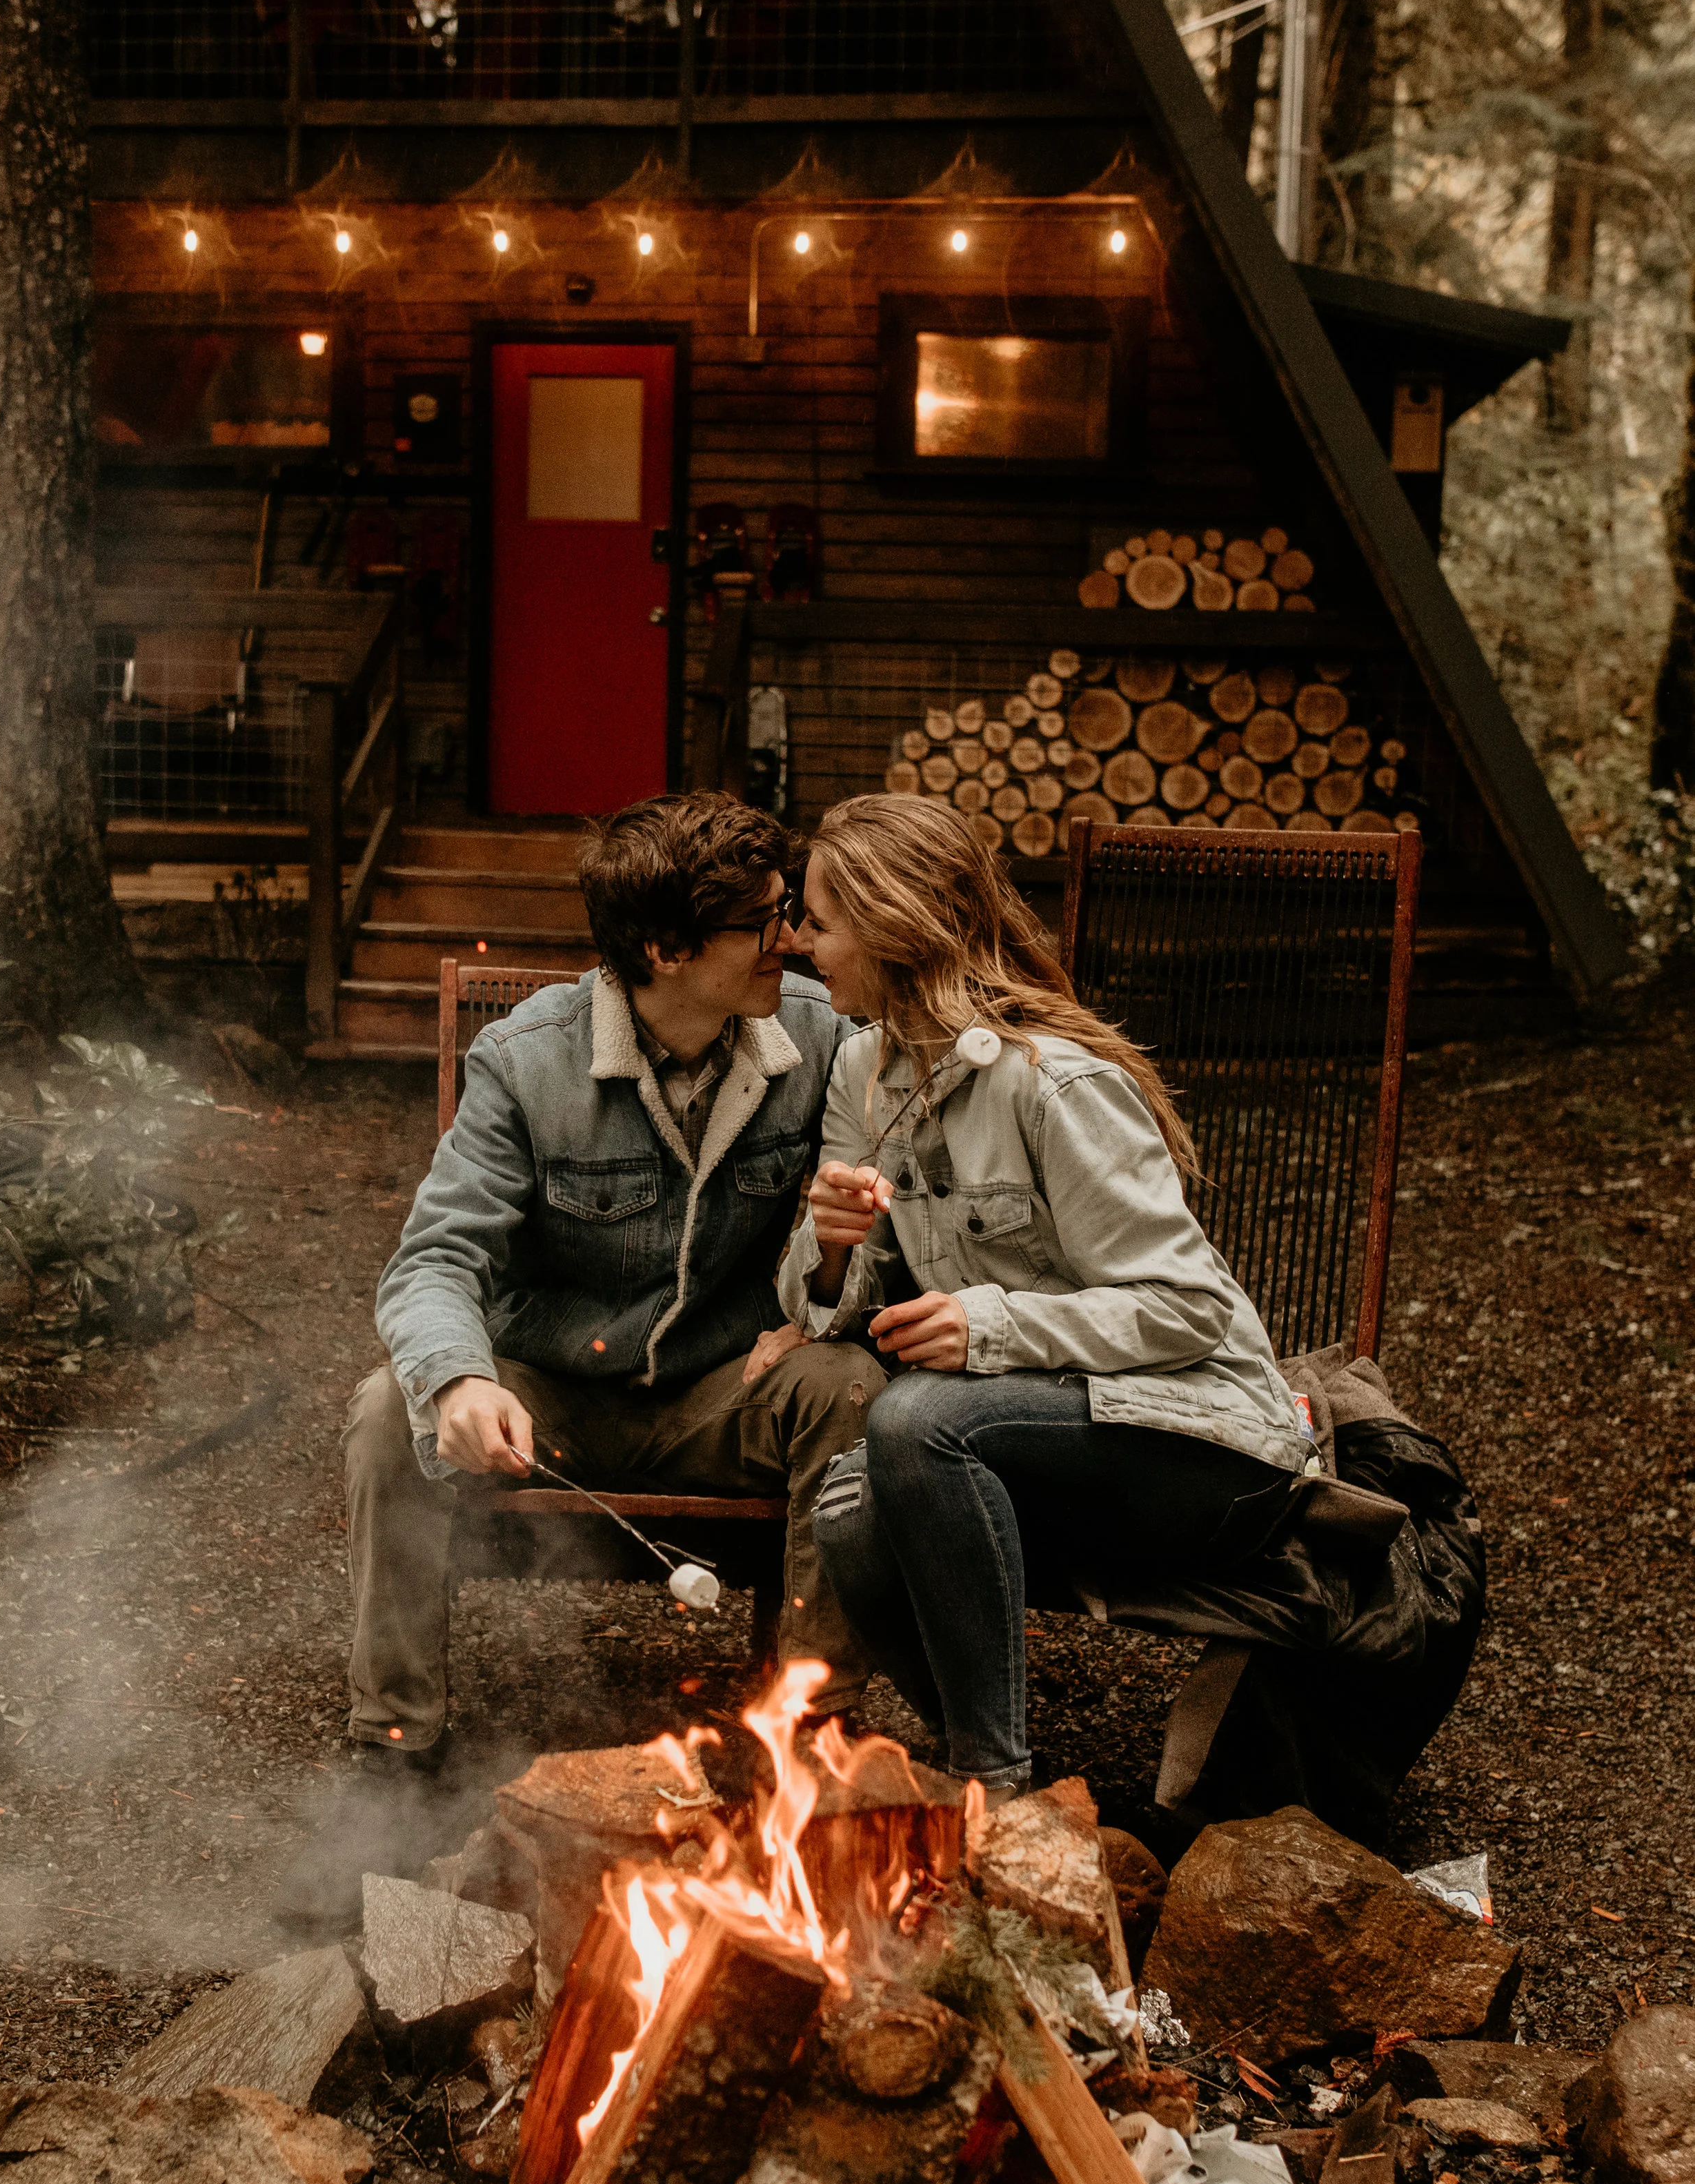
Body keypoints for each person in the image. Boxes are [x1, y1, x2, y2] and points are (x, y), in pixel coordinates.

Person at [284, 794, 883, 1926]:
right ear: (665, 950)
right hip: (553, 1398)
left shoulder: (823, 1041)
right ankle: (396, 1753)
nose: (790, 940)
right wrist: (461, 1380)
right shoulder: (527, 1061)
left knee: (852, 1392)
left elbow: (870, 1231)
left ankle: (809, 1749)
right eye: (761, 923)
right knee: (386, 1411)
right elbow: (431, 1263)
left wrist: (835, 1269)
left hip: (726, 1387)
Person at [774, 793, 1317, 1805]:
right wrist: (832, 1252)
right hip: (1050, 1448)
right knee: (851, 1508)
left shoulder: (1052, 1082)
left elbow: (1186, 1308)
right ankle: (978, 1757)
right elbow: (826, 1307)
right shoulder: (866, 1063)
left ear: (894, 921)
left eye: (822, 918)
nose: (805, 944)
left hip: (1208, 1452)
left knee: (917, 1421)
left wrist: (988, 1326)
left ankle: (997, 1787)